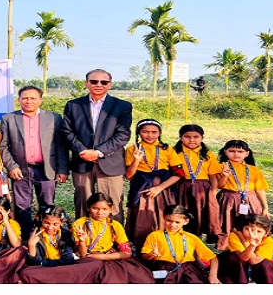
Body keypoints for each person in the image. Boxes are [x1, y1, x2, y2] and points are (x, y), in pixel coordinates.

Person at [61, 69, 131, 222]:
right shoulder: (73, 105)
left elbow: (123, 134)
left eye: (103, 82)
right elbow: (66, 131)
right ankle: (82, 239)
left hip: (110, 162)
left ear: (110, 85)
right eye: (94, 81)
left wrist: (98, 152)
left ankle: (114, 240)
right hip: (82, 161)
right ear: (87, 83)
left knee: (112, 204)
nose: (98, 85)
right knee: (82, 203)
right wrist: (83, 151)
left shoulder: (122, 106)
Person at [0, 85, 69, 239]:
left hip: (47, 169)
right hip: (20, 170)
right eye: (24, 98)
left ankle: (46, 237)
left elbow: (61, 145)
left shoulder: (53, 118)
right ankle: (24, 238)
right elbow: (3, 146)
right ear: (19, 100)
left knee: (47, 204)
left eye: (33, 98)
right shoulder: (9, 119)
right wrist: (11, 165)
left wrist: (62, 169)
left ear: (40, 100)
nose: (28, 101)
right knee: (22, 205)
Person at [71, 193, 155, 283]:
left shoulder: (115, 225)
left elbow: (127, 253)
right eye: (95, 208)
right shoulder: (79, 224)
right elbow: (83, 255)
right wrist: (82, 241)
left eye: (104, 209)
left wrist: (101, 256)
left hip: (109, 257)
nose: (100, 213)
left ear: (111, 209)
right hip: (90, 260)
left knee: (142, 278)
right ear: (88, 208)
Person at [124, 119, 180, 249]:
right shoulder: (132, 149)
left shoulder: (167, 149)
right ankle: (142, 248)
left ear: (160, 133)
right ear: (139, 132)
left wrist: (159, 188)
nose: (150, 135)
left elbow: (178, 174)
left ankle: (165, 246)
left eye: (154, 132)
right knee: (143, 218)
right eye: (145, 132)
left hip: (163, 190)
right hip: (142, 190)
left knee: (163, 216)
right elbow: (129, 175)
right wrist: (136, 160)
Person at [141, 204, 221, 284]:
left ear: (186, 221)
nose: (172, 225)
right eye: (169, 220)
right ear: (163, 217)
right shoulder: (155, 235)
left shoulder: (191, 238)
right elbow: (144, 256)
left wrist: (213, 276)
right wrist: (150, 254)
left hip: (188, 270)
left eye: (177, 222)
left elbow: (213, 258)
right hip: (163, 269)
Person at [215, 140, 270, 250]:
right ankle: (228, 247)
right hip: (228, 198)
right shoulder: (220, 167)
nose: (236, 154)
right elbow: (218, 186)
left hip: (249, 199)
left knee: (252, 222)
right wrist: (225, 176)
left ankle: (251, 245)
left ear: (247, 153)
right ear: (225, 152)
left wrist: (265, 208)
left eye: (240, 151)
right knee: (228, 223)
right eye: (232, 151)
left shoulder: (254, 170)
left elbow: (259, 190)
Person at [171, 124, 223, 241]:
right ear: (180, 137)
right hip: (182, 186)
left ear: (202, 138)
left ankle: (197, 238)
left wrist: (213, 192)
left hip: (203, 188)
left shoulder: (208, 155)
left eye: (196, 137)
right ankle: (180, 238)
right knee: (183, 211)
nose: (191, 140)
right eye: (187, 136)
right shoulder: (174, 152)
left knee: (201, 213)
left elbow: (213, 176)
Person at [17, 206, 77, 283]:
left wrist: (44, 263)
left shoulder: (66, 235)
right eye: (46, 223)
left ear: (61, 223)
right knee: (25, 273)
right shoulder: (35, 235)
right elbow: (35, 263)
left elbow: (68, 260)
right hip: (44, 269)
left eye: (55, 224)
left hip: (61, 268)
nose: (50, 227)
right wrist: (31, 245)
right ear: (41, 218)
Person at [217, 213, 273, 284]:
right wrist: (248, 243)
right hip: (236, 264)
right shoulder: (235, 236)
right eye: (247, 229)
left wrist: (248, 243)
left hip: (255, 264)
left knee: (266, 264)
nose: (253, 234)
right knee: (234, 258)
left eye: (259, 231)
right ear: (242, 229)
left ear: (266, 233)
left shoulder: (269, 241)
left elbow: (254, 261)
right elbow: (243, 257)